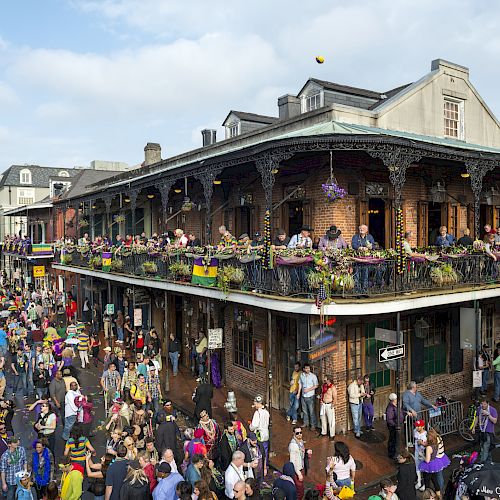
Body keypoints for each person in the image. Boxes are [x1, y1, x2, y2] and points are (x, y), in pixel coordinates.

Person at [419, 427, 450, 495]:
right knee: (435, 479)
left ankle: (428, 494)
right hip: (436, 461)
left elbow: (427, 460)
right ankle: (439, 494)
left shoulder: (429, 447)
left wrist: (422, 456)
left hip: (430, 464)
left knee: (428, 480)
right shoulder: (437, 441)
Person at [473, 396, 498, 463]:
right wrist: (473, 427)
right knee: (483, 447)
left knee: (485, 448)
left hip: (489, 433)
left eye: (484, 404)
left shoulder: (493, 410)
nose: (482, 405)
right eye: (481, 404)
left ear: (487, 404)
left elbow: (495, 421)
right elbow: (477, 418)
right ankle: (489, 462)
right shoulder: (479, 409)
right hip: (482, 432)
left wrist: (488, 415)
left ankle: (482, 462)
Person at [288, 427, 311, 499]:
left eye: (300, 432)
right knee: (300, 491)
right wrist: (299, 473)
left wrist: (306, 452)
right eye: (297, 433)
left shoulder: (300, 441)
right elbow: (292, 462)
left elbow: (301, 452)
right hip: (297, 470)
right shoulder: (293, 446)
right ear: (293, 434)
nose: (299, 434)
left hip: (301, 467)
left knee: (300, 488)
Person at [249, 395, 270, 463]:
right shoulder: (266, 412)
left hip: (259, 435)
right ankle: (265, 465)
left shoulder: (257, 413)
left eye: (255, 402)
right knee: (265, 451)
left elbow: (254, 426)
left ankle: (260, 466)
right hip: (266, 434)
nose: (254, 404)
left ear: (258, 403)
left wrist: (250, 426)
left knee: (259, 451)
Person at [298, 363, 318, 431]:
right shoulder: (301, 375)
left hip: (310, 396)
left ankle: (313, 425)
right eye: (306, 368)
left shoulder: (313, 376)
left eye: (308, 368)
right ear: (304, 369)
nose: (308, 369)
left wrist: (308, 390)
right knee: (304, 411)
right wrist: (298, 393)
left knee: (311, 411)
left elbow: (316, 385)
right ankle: (305, 423)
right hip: (303, 396)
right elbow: (300, 384)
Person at [319, 375, 337, 440]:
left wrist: (333, 404)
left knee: (331, 420)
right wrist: (321, 400)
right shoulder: (323, 386)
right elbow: (322, 394)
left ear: (329, 380)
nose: (324, 380)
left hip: (329, 405)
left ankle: (332, 435)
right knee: (323, 419)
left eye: (325, 379)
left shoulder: (332, 387)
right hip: (323, 404)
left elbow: (335, 397)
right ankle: (324, 432)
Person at [413, 419, 427, 491]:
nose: (417, 427)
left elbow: (425, 446)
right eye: (417, 426)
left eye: (419, 426)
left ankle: (424, 484)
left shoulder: (424, 436)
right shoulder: (416, 431)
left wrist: (421, 443)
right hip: (416, 453)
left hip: (422, 455)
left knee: (423, 469)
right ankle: (419, 483)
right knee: (417, 468)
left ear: (423, 426)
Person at [385, 393, 399, 460]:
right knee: (392, 439)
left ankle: (394, 452)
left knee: (395, 439)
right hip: (392, 427)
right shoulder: (390, 408)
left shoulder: (395, 406)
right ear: (393, 400)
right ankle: (391, 454)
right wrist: (395, 425)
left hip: (395, 425)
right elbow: (389, 419)